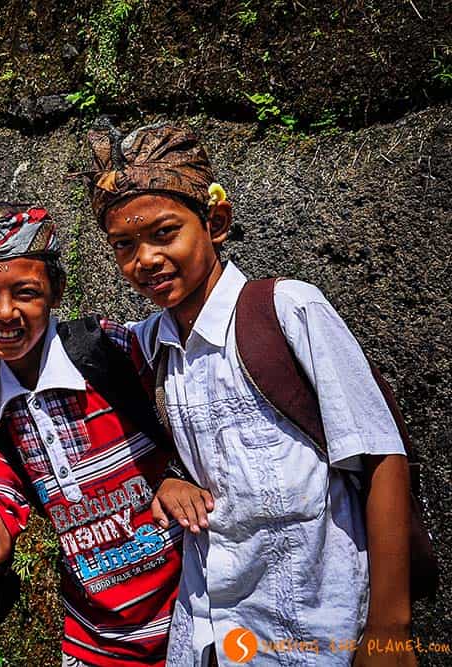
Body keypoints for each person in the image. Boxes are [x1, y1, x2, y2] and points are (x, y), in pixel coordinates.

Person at [85, 121, 415, 666]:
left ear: (215, 221)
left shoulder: (288, 311)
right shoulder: (148, 348)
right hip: (211, 629)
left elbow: (382, 456)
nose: (144, 259)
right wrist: (166, 476)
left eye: (165, 233)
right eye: (124, 244)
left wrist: (390, 630)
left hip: (317, 627)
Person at [0, 202, 202, 667]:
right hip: (94, 644)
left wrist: (178, 472)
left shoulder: (112, 350)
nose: (5, 313)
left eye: (26, 292)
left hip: (195, 618)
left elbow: (201, 414)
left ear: (55, 292)